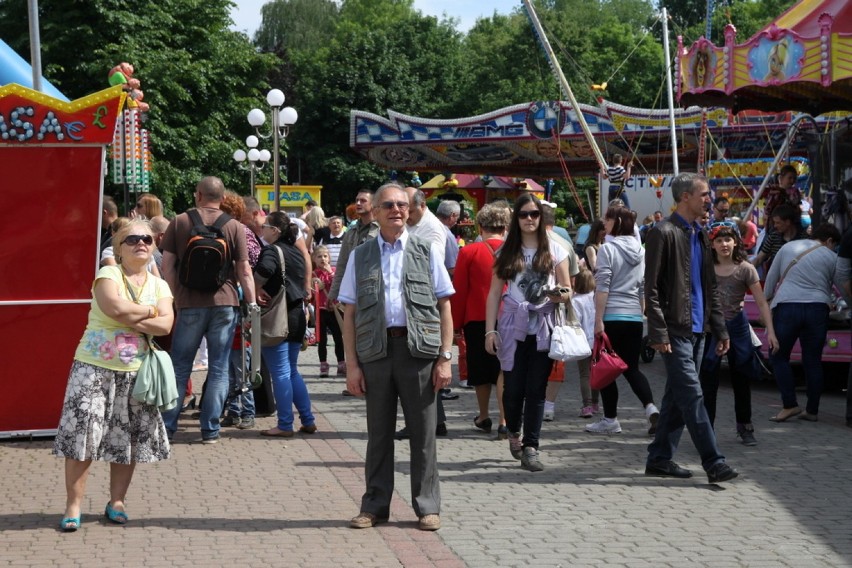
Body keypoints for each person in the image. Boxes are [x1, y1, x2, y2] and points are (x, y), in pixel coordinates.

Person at [339, 182, 454, 532]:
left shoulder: (425, 249)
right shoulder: (361, 255)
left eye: (402, 204)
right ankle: (374, 505)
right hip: (376, 351)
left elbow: (444, 306)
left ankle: (427, 506)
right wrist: (352, 366)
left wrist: (445, 358)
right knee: (378, 435)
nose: (397, 210)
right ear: (374, 211)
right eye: (388, 204)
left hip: (418, 352)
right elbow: (350, 313)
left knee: (423, 434)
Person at [53, 219, 174, 531]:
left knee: (126, 441)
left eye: (147, 239)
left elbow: (167, 326)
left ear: (154, 245)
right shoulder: (108, 274)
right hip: (92, 368)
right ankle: (73, 506)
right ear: (119, 248)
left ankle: (116, 502)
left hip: (136, 374)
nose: (140, 244)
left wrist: (133, 315)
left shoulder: (160, 286)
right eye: (132, 239)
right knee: (83, 438)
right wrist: (149, 312)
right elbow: (112, 307)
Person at [644, 172, 738, 483]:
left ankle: (659, 458)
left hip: (697, 331)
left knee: (676, 397)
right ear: (686, 197)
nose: (709, 200)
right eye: (704, 194)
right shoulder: (663, 232)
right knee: (693, 395)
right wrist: (658, 332)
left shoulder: (699, 234)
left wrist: (720, 330)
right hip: (675, 331)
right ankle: (714, 462)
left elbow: (709, 288)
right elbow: (652, 288)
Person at [159, 176, 257, 444]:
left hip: (189, 303)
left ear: (197, 195)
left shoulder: (179, 221)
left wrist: (174, 296)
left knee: (180, 367)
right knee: (218, 368)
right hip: (224, 304)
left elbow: (167, 265)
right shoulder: (235, 226)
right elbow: (244, 270)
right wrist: (251, 302)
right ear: (223, 199)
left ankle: (167, 426)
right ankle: (210, 430)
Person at [485, 194, 572, 472]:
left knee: (536, 389)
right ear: (516, 219)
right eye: (524, 214)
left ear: (541, 216)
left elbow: (568, 287)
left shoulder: (557, 250)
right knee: (513, 389)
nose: (530, 219)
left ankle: (531, 446)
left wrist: (559, 294)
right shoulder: (506, 252)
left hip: (543, 324)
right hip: (512, 325)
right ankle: (513, 433)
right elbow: (495, 293)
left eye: (534, 214)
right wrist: (490, 331)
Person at [699, 222, 778, 445]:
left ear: (736, 242)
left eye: (728, 239)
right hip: (711, 328)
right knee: (708, 381)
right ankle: (707, 430)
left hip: (737, 326)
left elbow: (762, 303)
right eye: (719, 240)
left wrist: (770, 332)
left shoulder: (746, 268)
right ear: (712, 245)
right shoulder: (704, 268)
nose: (724, 244)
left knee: (741, 379)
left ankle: (745, 427)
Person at [585, 206, 660, 435]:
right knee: (631, 368)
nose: (604, 224)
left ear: (616, 222)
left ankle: (610, 420)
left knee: (606, 368)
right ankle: (651, 409)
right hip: (633, 317)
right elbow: (642, 287)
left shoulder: (608, 249)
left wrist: (598, 320)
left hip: (612, 315)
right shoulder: (640, 250)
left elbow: (603, 287)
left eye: (607, 219)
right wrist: (641, 313)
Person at [764, 223, 842, 422]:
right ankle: (812, 410)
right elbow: (841, 285)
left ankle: (790, 405)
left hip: (787, 307)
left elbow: (771, 278)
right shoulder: (832, 257)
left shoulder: (788, 248)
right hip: (818, 309)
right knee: (813, 360)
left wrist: (765, 304)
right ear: (830, 241)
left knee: (779, 356)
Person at [451, 204, 510, 438]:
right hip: (508, 317)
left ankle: (484, 415)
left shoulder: (468, 252)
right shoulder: (513, 251)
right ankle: (505, 420)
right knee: (504, 369)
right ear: (505, 227)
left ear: (480, 226)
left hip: (476, 319)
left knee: (480, 371)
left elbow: (460, 291)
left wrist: (455, 325)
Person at [256, 212, 317, 437]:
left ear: (274, 230)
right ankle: (307, 419)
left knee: (280, 372)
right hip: (297, 316)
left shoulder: (273, 250)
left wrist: (255, 286)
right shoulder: (296, 251)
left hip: (278, 318)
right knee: (291, 371)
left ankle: (284, 424)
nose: (262, 230)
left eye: (265, 226)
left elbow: (263, 272)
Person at [329, 189, 379, 395]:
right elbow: (341, 265)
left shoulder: (380, 230)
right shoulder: (351, 232)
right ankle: (356, 380)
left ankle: (374, 381)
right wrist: (333, 293)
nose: (358, 203)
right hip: (354, 294)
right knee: (352, 337)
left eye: (363, 200)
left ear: (373, 204)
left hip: (374, 293)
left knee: (372, 337)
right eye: (356, 200)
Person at [217, 191, 257, 429]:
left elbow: (248, 268)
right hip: (228, 317)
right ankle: (233, 410)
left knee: (242, 371)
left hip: (240, 319)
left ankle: (248, 411)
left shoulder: (241, 233)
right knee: (231, 373)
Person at [569, 269, 599, 418]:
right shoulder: (595, 298)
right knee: (596, 373)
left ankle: (586, 405)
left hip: (582, 342)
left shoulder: (575, 301)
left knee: (584, 375)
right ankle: (595, 403)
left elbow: (575, 323)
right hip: (597, 341)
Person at [312, 245, 345, 378]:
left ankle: (341, 363)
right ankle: (323, 364)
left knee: (338, 337)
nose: (323, 259)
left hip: (334, 309)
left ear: (329, 258)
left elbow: (339, 284)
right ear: (314, 259)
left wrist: (329, 273)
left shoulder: (334, 271)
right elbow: (311, 291)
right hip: (320, 310)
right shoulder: (314, 274)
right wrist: (314, 284)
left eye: (325, 256)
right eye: (319, 256)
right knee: (322, 339)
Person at [751, 204, 808, 271]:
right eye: (774, 223)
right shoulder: (773, 237)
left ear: (787, 222)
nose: (775, 226)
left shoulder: (804, 238)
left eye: (778, 223)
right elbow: (759, 259)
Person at [435, 199, 461, 277]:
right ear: (452, 215)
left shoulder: (428, 227)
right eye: (457, 216)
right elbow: (452, 269)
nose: (457, 220)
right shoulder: (447, 235)